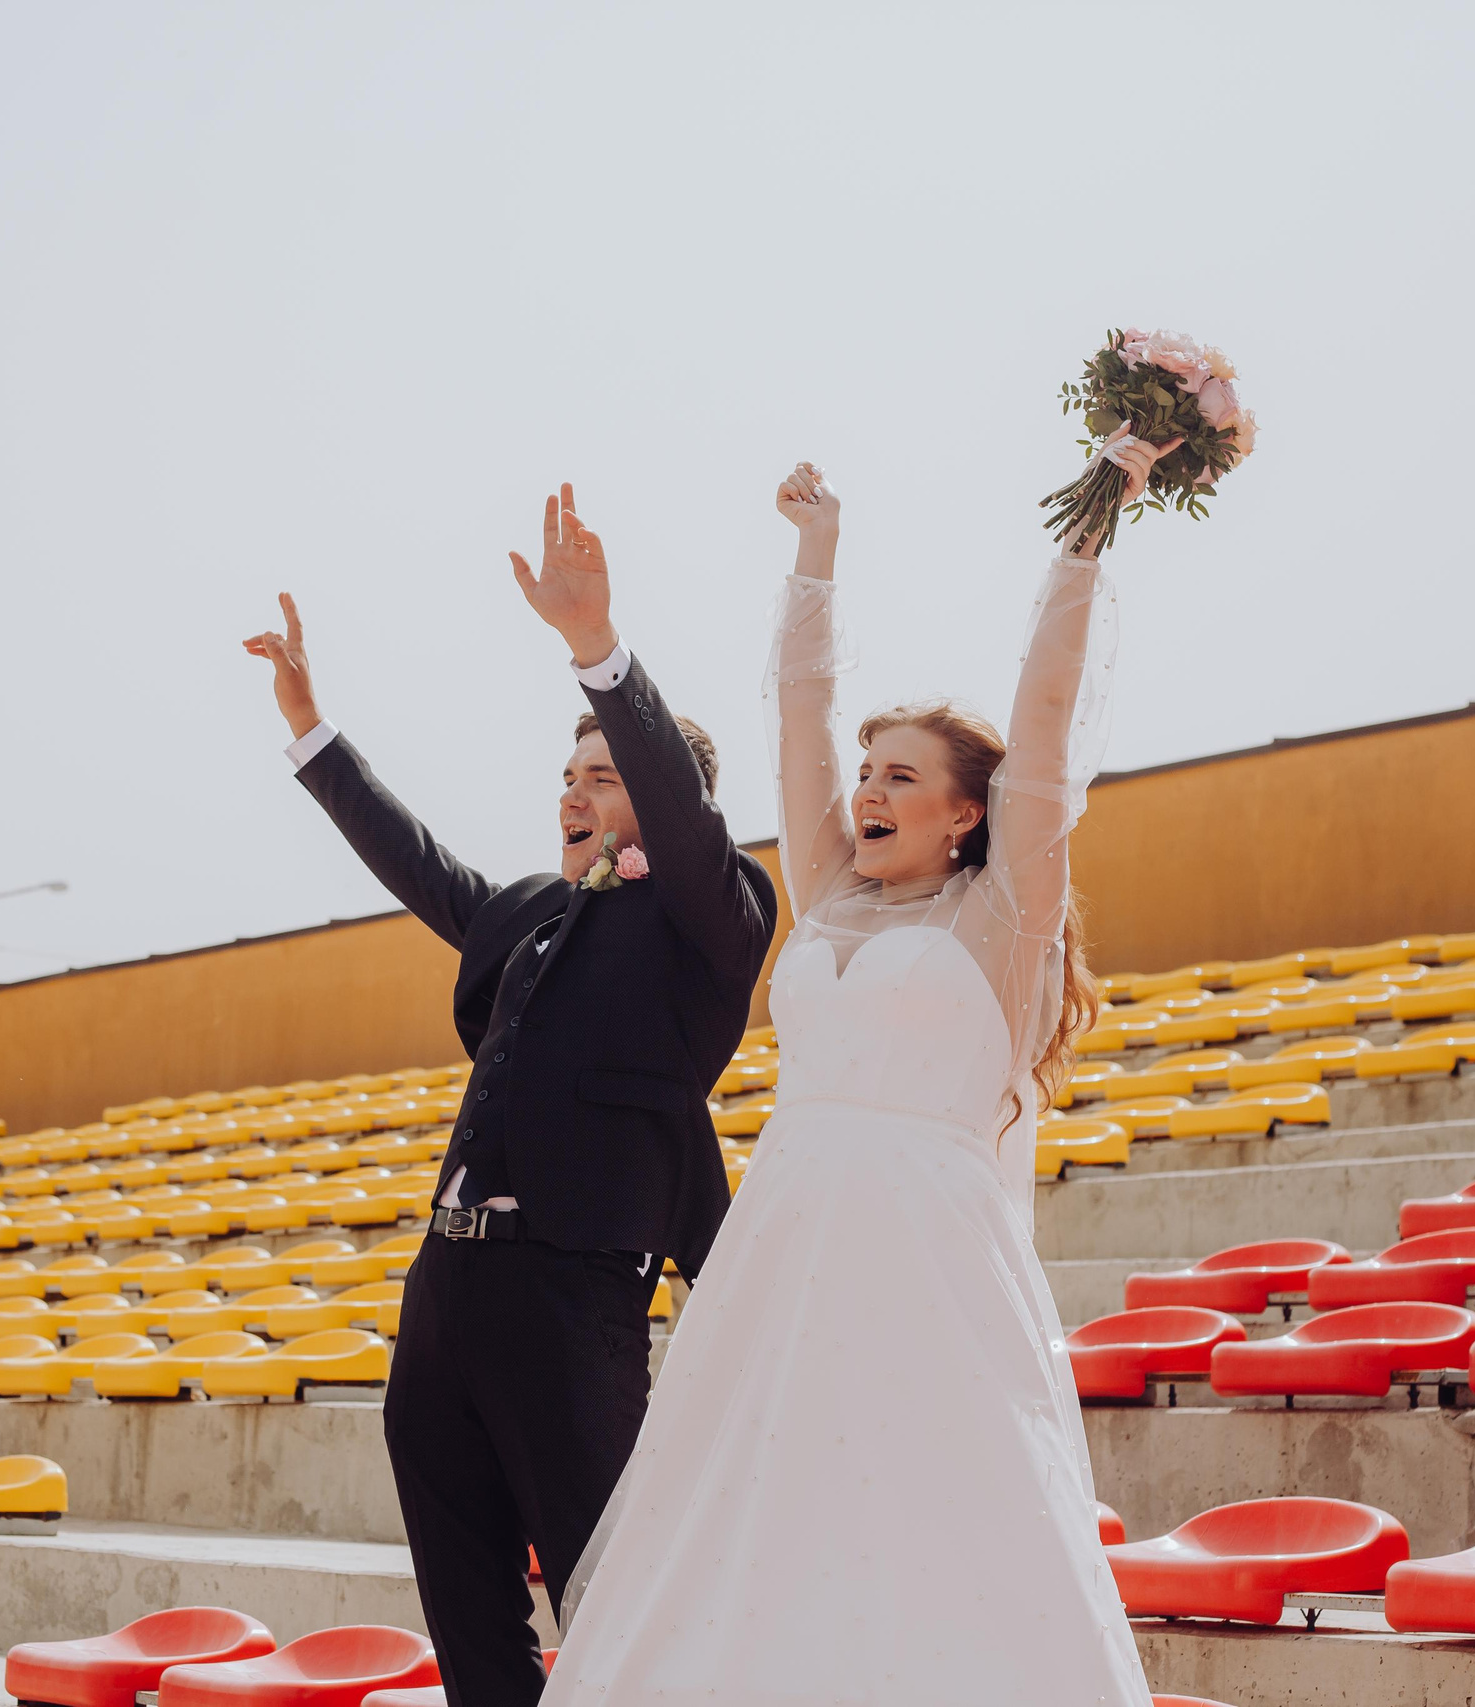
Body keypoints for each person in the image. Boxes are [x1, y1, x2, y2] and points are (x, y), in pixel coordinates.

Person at [540, 438, 1178, 1705]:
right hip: (785, 1248)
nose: (869, 791)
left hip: (928, 1260)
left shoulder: (1002, 916)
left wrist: (1089, 523)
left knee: (933, 1528)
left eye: (903, 777)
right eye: (868, 773)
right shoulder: (829, 896)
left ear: (966, 815)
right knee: (753, 1526)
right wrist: (814, 558)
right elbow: (798, 718)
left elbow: (1044, 722)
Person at [242, 484, 778, 1707]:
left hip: (573, 1299)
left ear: (663, 793)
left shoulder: (717, 909)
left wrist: (597, 653)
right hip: (448, 1291)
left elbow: (686, 827)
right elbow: (421, 865)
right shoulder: (531, 910)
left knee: (611, 1608)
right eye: (567, 773)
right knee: (470, 1620)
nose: (574, 793)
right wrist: (314, 731)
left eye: (604, 773)